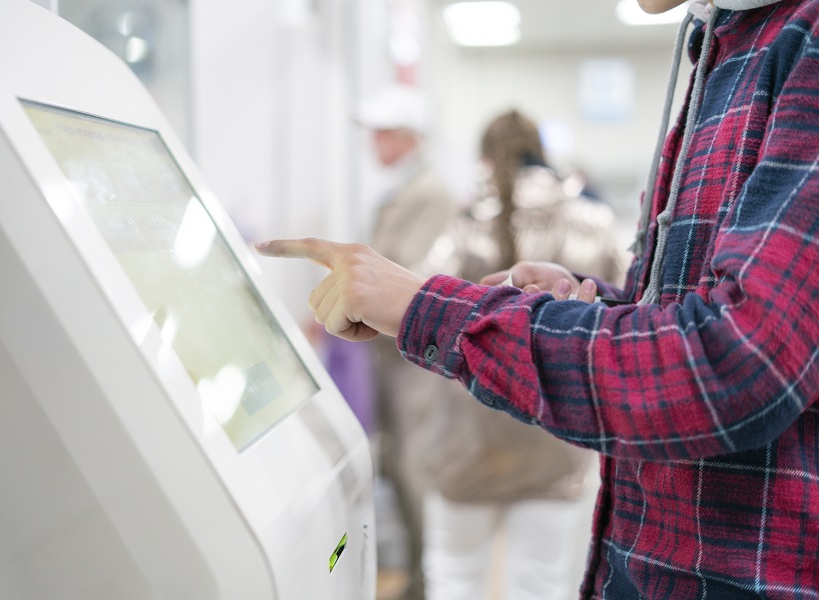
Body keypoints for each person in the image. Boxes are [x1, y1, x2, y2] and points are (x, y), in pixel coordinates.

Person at [257, 0, 819, 597]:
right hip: (607, 501)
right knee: (536, 581)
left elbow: (736, 360)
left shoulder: (800, 45)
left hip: (717, 562)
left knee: (457, 577)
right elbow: (682, 315)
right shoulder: (727, 48)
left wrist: (427, 304)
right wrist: (592, 307)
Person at [416, 109, 625, 600]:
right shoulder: (593, 221)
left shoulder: (463, 226)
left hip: (464, 440)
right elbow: (634, 302)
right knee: (543, 586)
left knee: (454, 579)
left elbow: (417, 301)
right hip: (556, 429)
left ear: (485, 159)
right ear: (542, 153)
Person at [356, 83, 459, 600]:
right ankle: (420, 579)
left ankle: (428, 582)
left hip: (414, 353)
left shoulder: (431, 193)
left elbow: (410, 274)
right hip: (391, 352)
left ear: (406, 136)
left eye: (382, 134)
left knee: (416, 465)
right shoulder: (403, 190)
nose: (374, 144)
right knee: (397, 462)